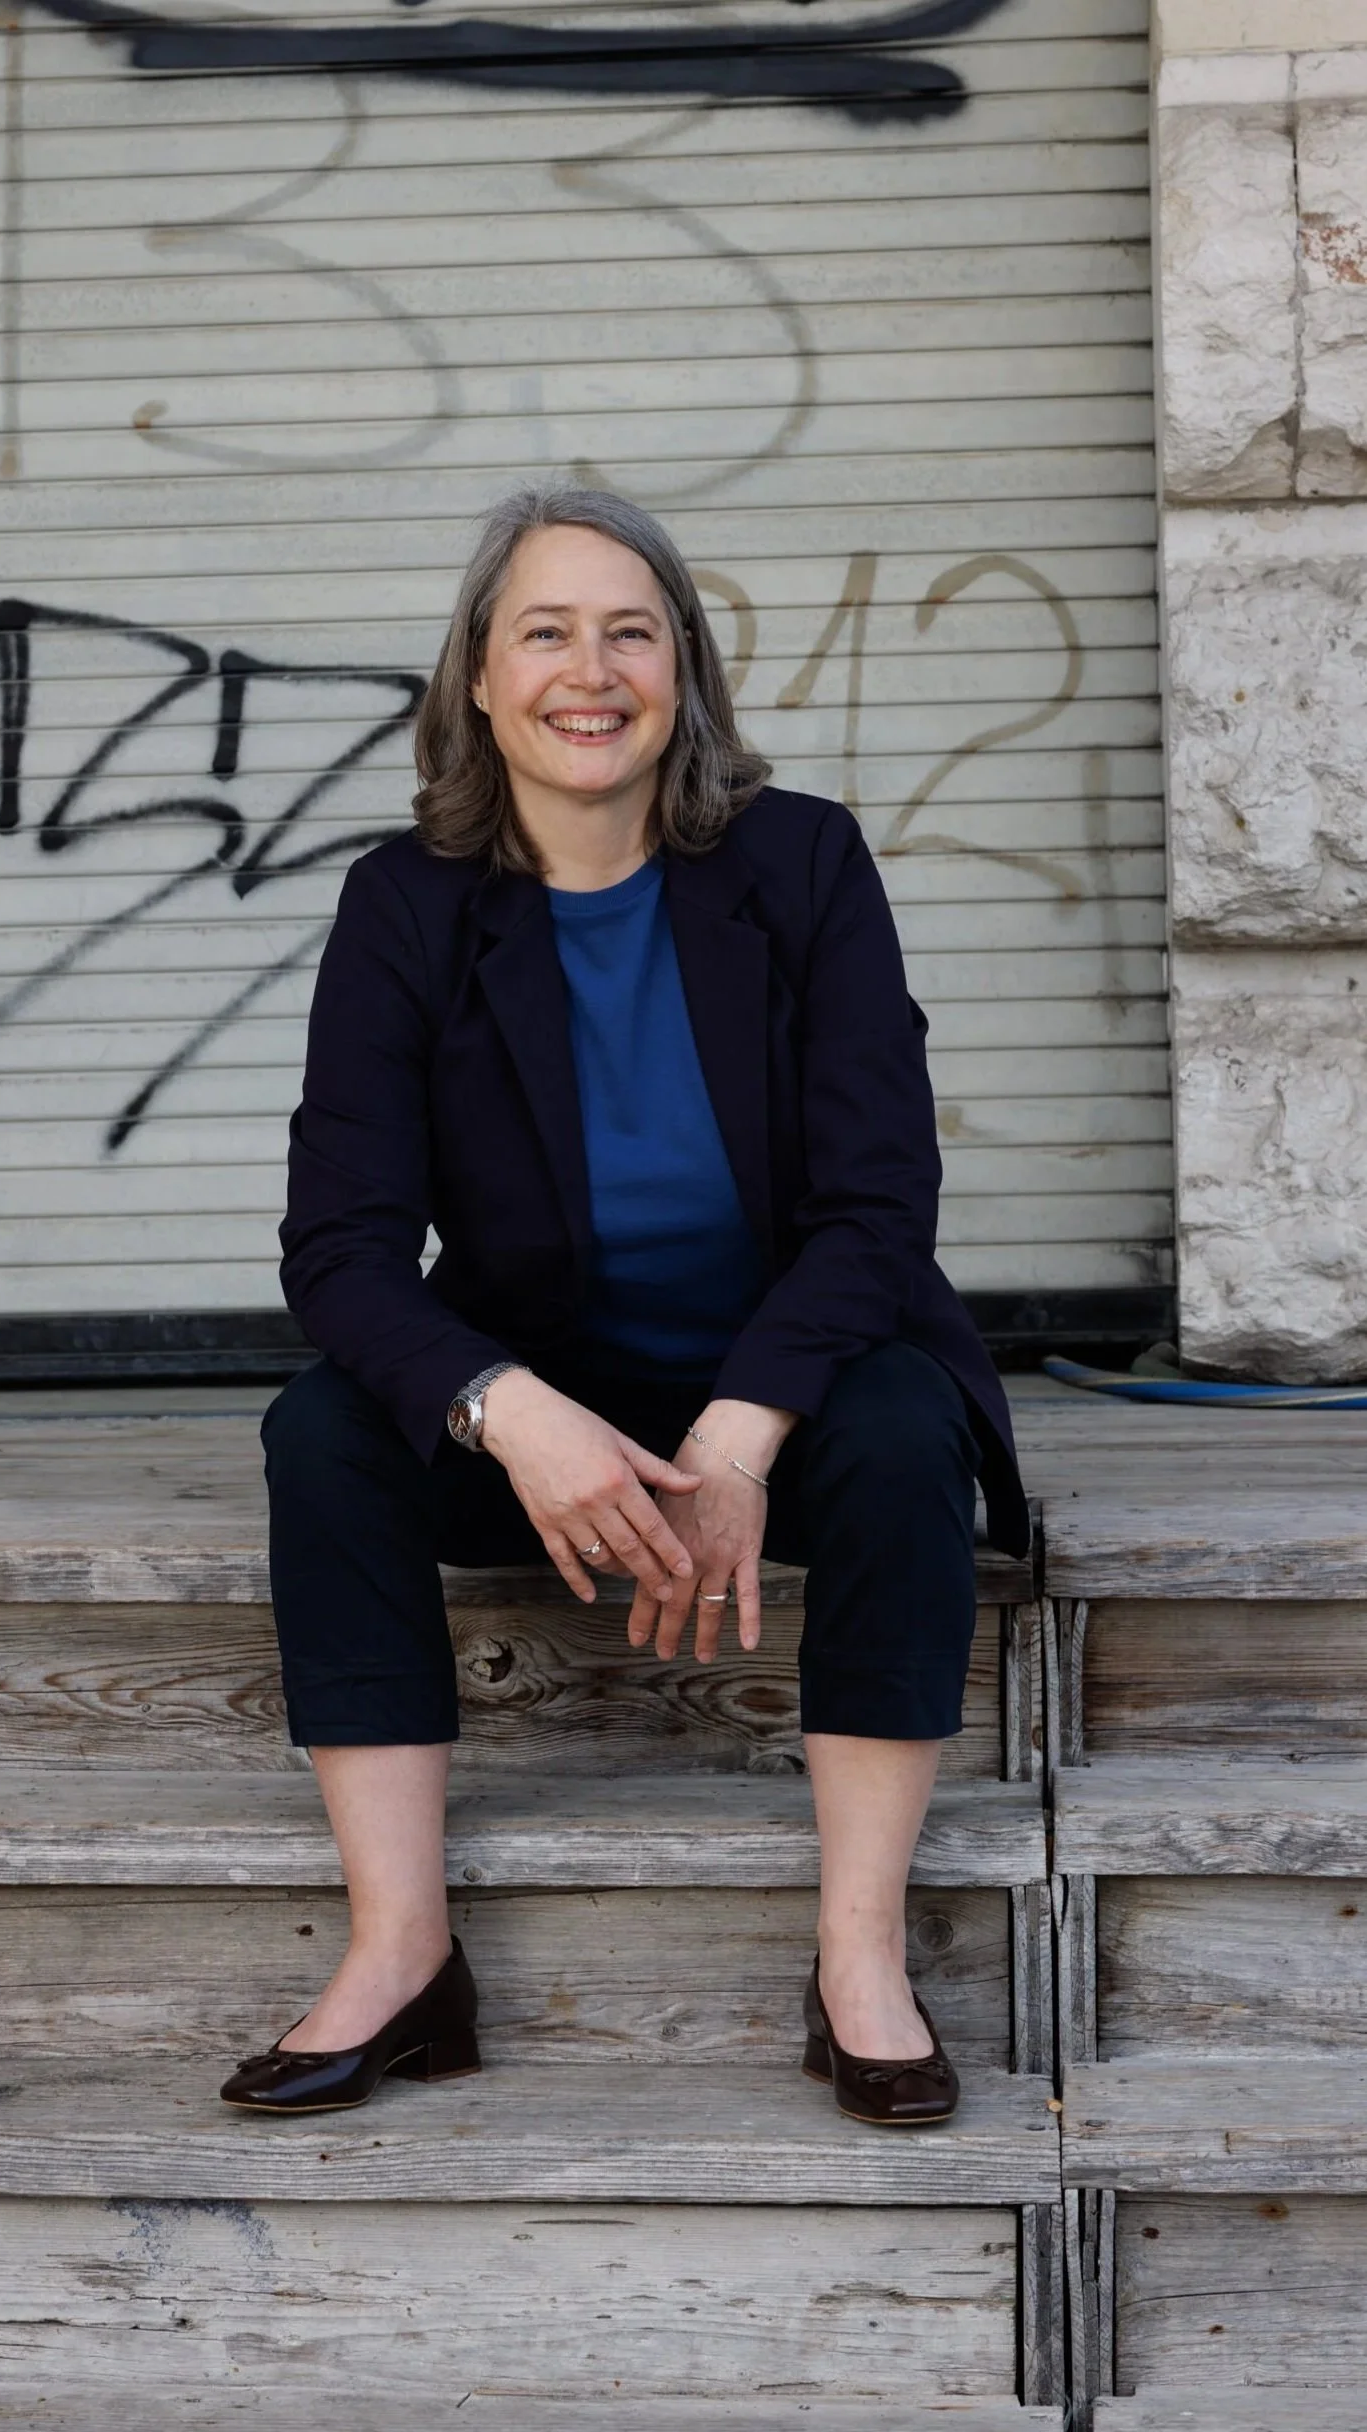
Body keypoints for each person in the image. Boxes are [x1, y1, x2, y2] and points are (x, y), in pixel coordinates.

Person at [220, 484, 1029, 2129]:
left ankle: (859, 1958)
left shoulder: (801, 862)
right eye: (544, 633)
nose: (587, 673)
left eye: (628, 633)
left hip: (788, 1380)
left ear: (683, 671)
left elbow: (878, 1199)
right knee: (323, 1437)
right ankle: (402, 1952)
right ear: (478, 676)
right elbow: (340, 1249)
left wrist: (737, 1438)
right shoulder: (405, 904)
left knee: (898, 1436)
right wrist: (510, 1412)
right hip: (550, 1405)